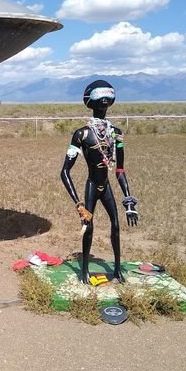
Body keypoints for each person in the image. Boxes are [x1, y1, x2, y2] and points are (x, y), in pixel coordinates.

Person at [60, 80, 139, 284]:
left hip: (106, 187)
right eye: (100, 97)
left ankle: (117, 270)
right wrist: (79, 205)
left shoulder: (116, 133)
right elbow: (65, 172)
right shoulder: (82, 134)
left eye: (107, 98)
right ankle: (84, 271)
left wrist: (128, 201)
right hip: (92, 186)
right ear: (91, 101)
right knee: (89, 225)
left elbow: (120, 170)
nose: (104, 102)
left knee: (116, 226)